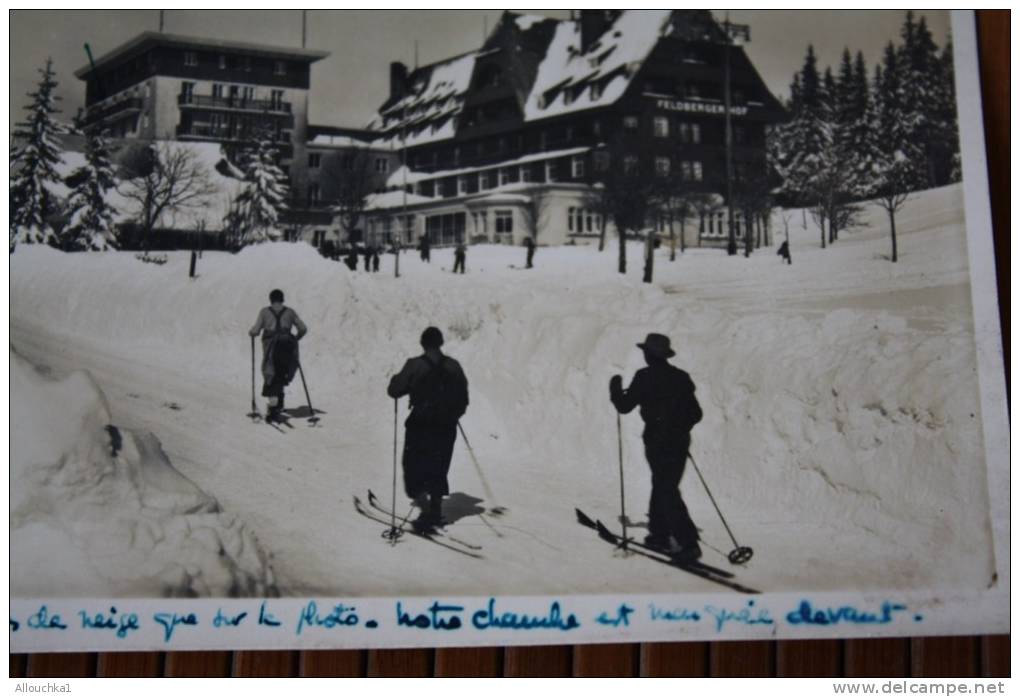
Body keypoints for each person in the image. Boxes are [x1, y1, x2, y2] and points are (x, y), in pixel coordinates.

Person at [610, 333, 703, 562]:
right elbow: (696, 413)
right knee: (663, 484)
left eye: (645, 352)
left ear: (649, 355)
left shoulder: (645, 377)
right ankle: (659, 532)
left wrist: (615, 389)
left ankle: (688, 542)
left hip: (657, 441)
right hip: (679, 441)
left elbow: (624, 407)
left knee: (665, 488)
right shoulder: (681, 377)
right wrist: (679, 428)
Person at [387, 327, 469, 532]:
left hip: (421, 424)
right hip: (446, 425)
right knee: (439, 465)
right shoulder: (454, 366)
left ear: (423, 344)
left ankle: (423, 506)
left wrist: (395, 379)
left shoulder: (415, 365)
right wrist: (450, 415)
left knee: (413, 463)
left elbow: (394, 391)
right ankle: (434, 508)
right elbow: (463, 400)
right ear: (441, 343)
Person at [249, 289, 308, 422]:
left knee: (270, 375)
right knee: (282, 373)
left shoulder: (264, 312)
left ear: (271, 299)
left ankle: (273, 408)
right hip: (287, 347)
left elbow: (256, 330)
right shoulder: (290, 312)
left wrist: (251, 332)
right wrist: (295, 339)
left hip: (271, 349)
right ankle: (279, 402)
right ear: (282, 299)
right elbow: (303, 328)